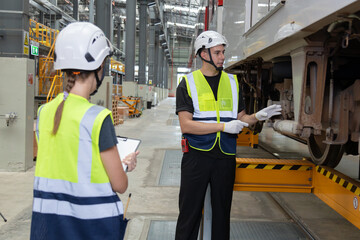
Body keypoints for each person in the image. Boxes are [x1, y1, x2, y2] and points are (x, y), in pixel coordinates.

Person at [30, 22, 139, 240]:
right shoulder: (98, 118)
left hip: (47, 226)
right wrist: (126, 165)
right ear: (99, 67)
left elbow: (62, 160)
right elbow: (119, 185)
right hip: (90, 227)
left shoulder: (44, 112)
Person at [175, 30, 282, 240]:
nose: (223, 57)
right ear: (203, 54)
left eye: (223, 52)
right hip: (196, 156)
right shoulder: (188, 83)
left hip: (225, 157)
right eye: (217, 52)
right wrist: (223, 127)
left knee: (222, 214)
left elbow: (240, 118)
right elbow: (186, 125)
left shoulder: (233, 83)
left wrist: (256, 116)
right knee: (189, 214)